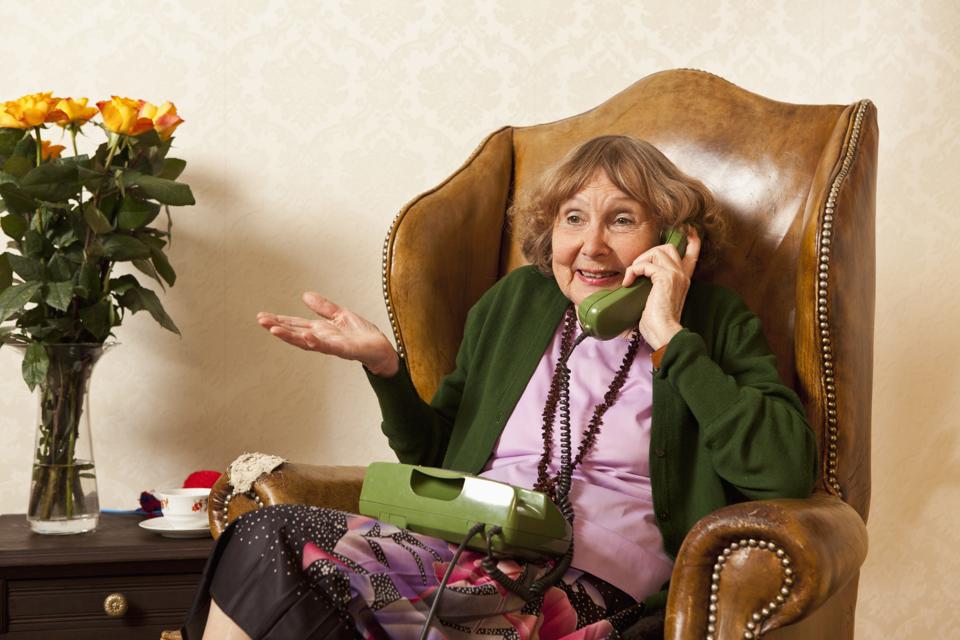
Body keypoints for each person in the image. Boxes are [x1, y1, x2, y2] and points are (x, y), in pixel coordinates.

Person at [180, 135, 818, 640]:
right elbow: (438, 463)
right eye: (574, 218)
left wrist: (671, 337)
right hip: (465, 549)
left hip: (591, 585)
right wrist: (387, 371)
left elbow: (784, 472)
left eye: (622, 220)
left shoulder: (711, 321)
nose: (592, 246)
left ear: (672, 238)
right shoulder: (516, 303)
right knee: (268, 536)